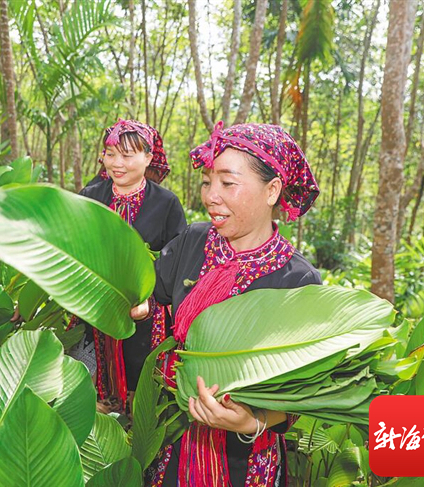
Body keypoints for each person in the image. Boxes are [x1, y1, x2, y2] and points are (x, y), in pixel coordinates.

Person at [133, 122, 321, 487]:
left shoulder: (297, 281)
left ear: (272, 190)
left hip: (244, 460)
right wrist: (141, 306)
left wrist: (252, 421)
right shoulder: (192, 241)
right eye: (207, 182)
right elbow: (153, 294)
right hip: (173, 438)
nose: (211, 196)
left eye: (227, 183)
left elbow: (301, 392)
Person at [70, 119, 187, 412]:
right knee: (86, 388)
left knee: (140, 393)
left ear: (148, 157)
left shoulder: (166, 204)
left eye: (127, 155)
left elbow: (176, 261)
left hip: (145, 313)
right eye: (110, 154)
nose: (116, 163)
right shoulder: (90, 196)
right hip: (94, 309)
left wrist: (147, 298)